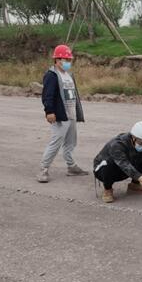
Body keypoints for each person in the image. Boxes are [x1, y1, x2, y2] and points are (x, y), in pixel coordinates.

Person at [37, 44, 89, 183]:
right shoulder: (51, 75)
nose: (68, 62)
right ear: (57, 59)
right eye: (66, 59)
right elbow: (47, 95)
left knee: (71, 143)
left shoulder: (69, 75)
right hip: (60, 115)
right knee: (56, 142)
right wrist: (49, 111)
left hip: (71, 115)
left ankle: (71, 167)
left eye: (69, 60)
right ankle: (43, 169)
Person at [93, 121, 142, 203]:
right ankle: (108, 189)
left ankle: (134, 185)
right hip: (103, 170)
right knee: (109, 163)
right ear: (133, 137)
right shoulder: (118, 144)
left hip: (125, 170)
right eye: (141, 142)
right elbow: (124, 164)